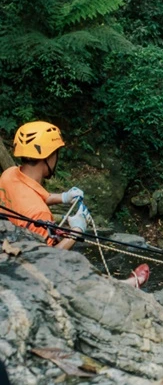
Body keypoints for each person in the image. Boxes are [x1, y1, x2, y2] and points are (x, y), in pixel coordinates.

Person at [0, 121, 149, 288]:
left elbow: (30, 192)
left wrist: (63, 197)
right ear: (48, 156)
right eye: (56, 153)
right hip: (25, 270)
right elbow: (47, 259)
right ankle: (125, 286)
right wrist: (76, 232)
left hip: (10, 243)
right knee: (75, 266)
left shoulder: (9, 174)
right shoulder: (39, 213)